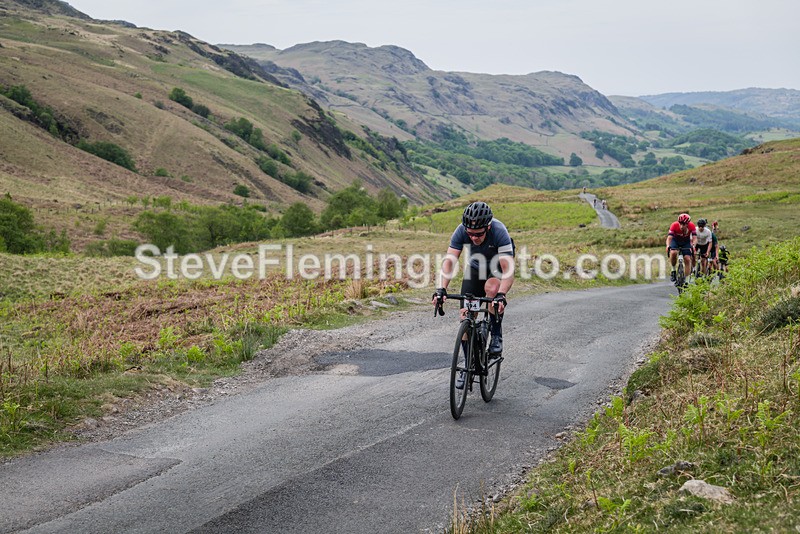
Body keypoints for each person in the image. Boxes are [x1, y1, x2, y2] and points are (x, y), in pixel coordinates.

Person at [433, 201, 515, 387]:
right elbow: (450, 261)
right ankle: (468, 361)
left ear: (488, 227)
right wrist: (441, 289)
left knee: (492, 290)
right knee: (465, 316)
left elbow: (508, 271)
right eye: (470, 234)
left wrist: (502, 295)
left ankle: (495, 334)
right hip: (475, 270)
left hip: (497, 270)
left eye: (478, 235)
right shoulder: (461, 230)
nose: (474, 238)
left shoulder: (499, 231)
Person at [666, 213, 696, 284]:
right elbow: (669, 238)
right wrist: (668, 245)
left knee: (687, 259)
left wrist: (693, 245)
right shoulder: (674, 225)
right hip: (675, 240)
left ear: (687, 224)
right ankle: (673, 270)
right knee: (673, 253)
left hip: (686, 241)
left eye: (684, 224)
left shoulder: (692, 226)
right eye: (680, 224)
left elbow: (695, 238)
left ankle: (687, 280)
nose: (681, 226)